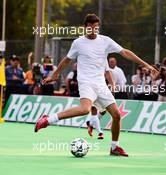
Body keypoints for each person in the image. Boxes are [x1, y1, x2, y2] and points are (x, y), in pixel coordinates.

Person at [34, 13, 157, 157]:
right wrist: (54, 75)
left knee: (116, 115)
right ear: (85, 28)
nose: (93, 31)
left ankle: (114, 147)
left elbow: (124, 52)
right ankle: (48, 119)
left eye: (96, 28)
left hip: (101, 85)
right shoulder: (78, 43)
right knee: (85, 109)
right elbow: (66, 60)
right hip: (86, 82)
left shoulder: (105, 41)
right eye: (91, 28)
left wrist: (146, 65)